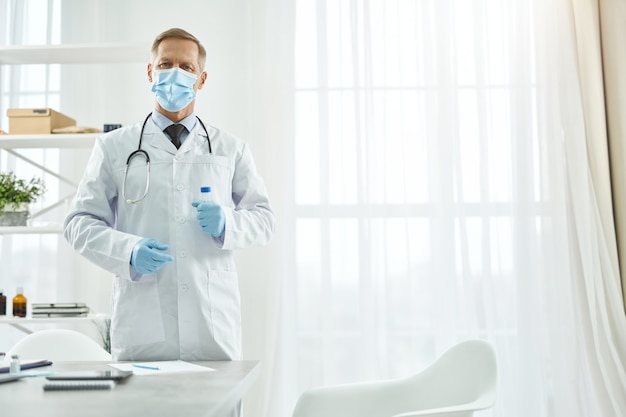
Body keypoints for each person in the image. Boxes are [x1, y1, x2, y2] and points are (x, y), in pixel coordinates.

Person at [64, 28, 275, 363]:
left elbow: (264, 219)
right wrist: (128, 250)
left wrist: (228, 223)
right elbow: (78, 224)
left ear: (201, 79)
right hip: (144, 325)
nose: (175, 74)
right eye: (165, 64)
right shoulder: (115, 146)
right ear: (150, 72)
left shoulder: (230, 148)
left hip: (212, 324)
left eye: (186, 67)